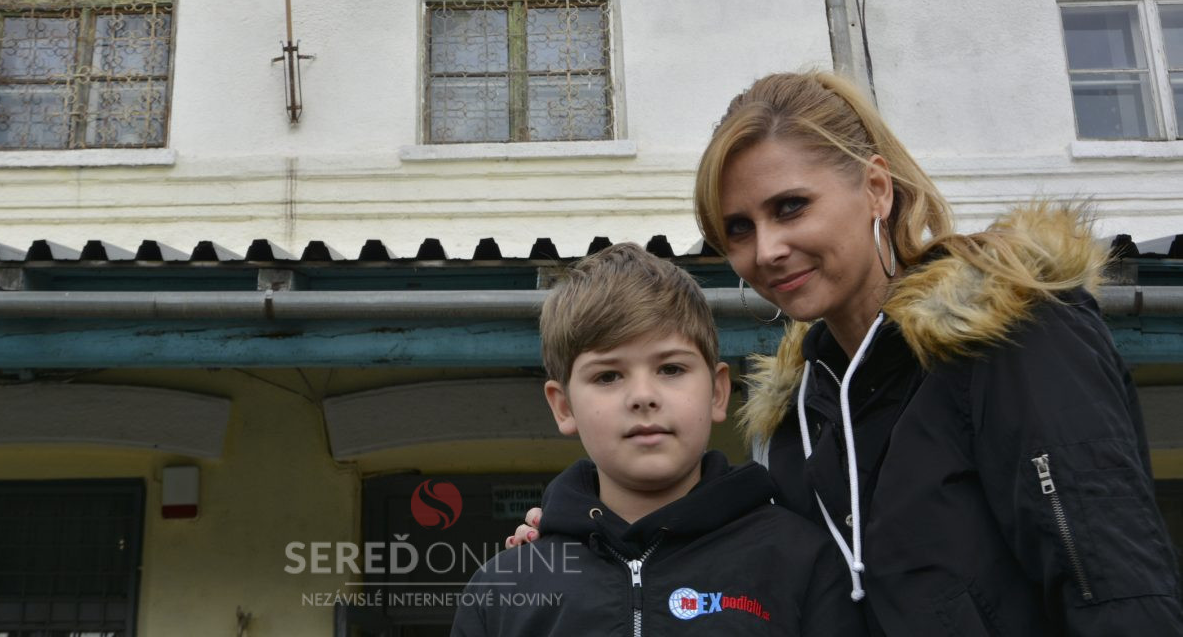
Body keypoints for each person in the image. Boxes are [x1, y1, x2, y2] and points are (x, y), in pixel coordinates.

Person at [510, 71, 1183, 635]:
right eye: (738, 229)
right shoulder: (795, 420)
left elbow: (1119, 593)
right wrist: (587, 545)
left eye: (790, 207)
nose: (766, 250)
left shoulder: (1015, 335)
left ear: (876, 189)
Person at [454, 242, 867, 636]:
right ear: (563, 407)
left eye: (670, 369)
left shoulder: (798, 559)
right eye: (608, 376)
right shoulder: (505, 588)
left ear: (718, 391)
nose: (643, 397)